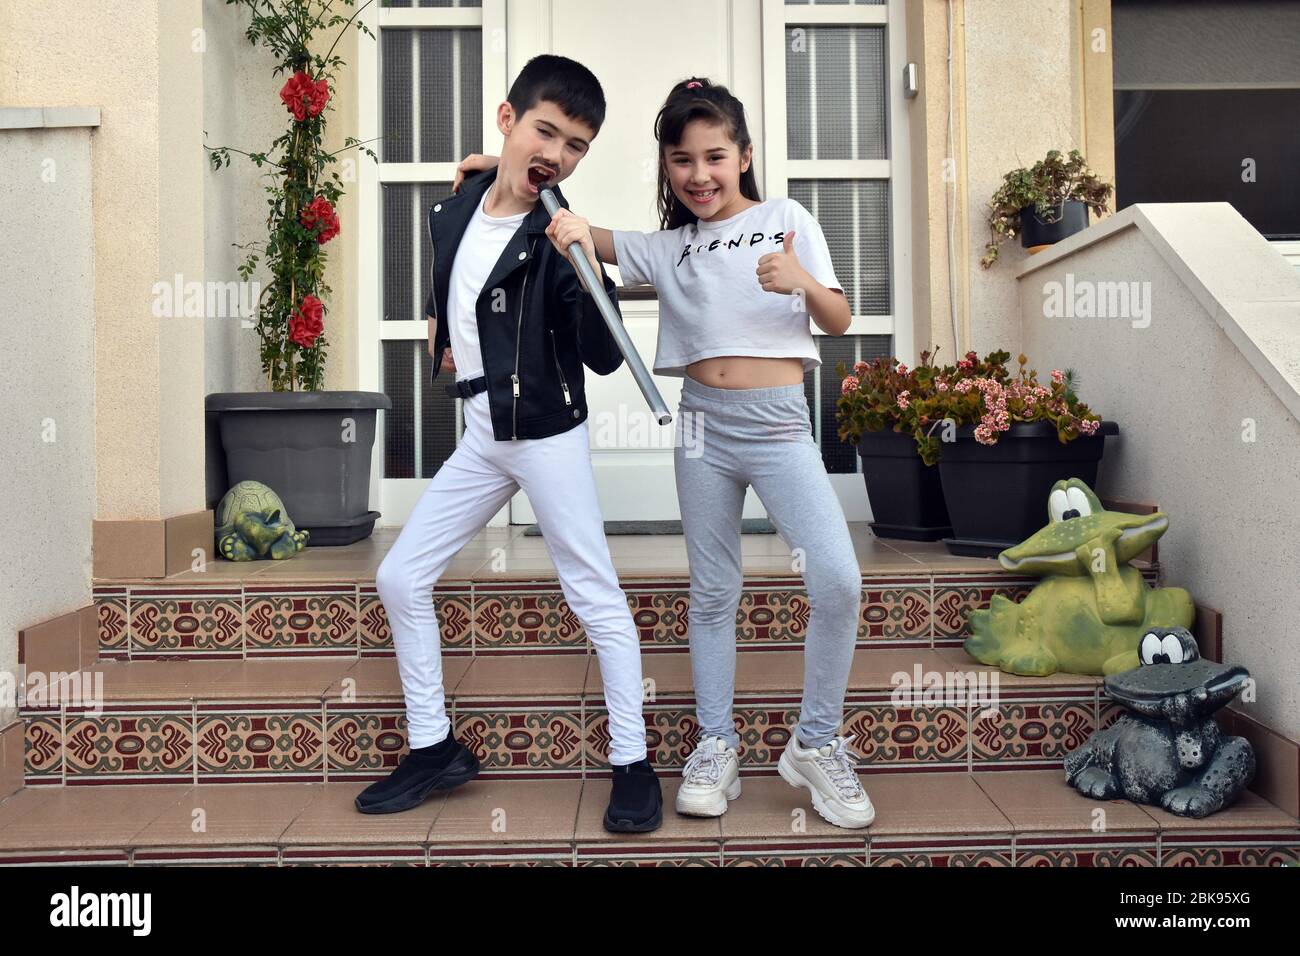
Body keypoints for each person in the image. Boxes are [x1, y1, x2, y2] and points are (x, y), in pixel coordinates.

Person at [453, 77, 873, 829]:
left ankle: (815, 744)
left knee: (838, 580)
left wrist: (802, 281)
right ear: (668, 169)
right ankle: (716, 745)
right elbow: (573, 226)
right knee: (713, 592)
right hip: (701, 425)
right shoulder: (667, 246)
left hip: (778, 424)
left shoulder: (786, 218)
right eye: (683, 160)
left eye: (716, 156)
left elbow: (839, 319)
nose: (700, 174)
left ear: (744, 155)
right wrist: (500, 169)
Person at [357, 55, 662, 834]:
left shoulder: (554, 239)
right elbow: (446, 288)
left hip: (548, 437)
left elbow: (600, 353)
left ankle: (634, 765)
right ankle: (435, 749)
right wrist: (444, 349)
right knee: (400, 576)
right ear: (507, 120)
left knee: (594, 595)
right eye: (545, 132)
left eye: (577, 146)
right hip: (485, 435)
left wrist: (586, 264)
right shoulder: (453, 209)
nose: (557, 154)